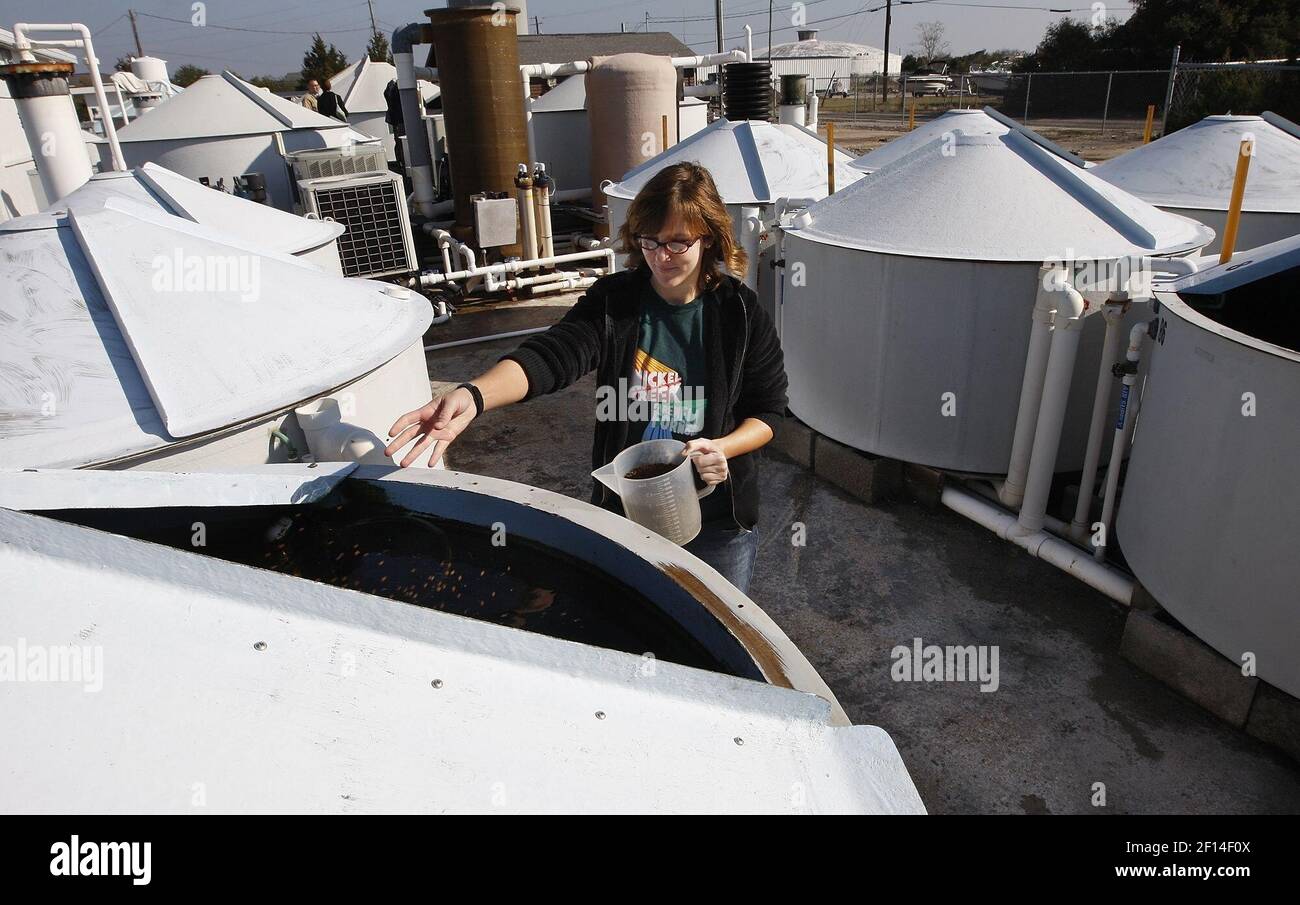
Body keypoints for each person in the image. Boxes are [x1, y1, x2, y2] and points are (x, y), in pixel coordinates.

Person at [384, 162, 788, 595]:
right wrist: (475, 395)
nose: (661, 256)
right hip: (630, 510)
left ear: (707, 237)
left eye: (677, 242)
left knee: (720, 635)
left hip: (719, 522)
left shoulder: (739, 312)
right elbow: (555, 354)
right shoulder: (615, 301)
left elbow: (767, 408)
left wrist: (721, 448)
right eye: (650, 241)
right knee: (638, 617)